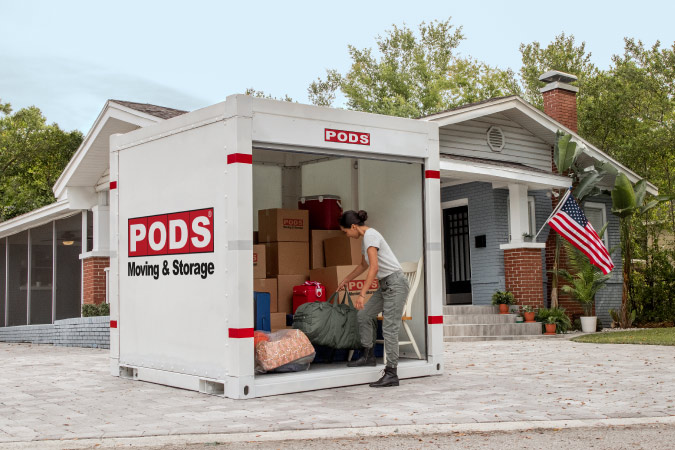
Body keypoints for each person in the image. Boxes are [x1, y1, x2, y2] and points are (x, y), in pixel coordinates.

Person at [336, 210, 409, 388]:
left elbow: (374, 268)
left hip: (395, 284)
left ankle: (392, 373)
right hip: (386, 285)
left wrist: (362, 294)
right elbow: (364, 265)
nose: (347, 236)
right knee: (364, 315)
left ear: (353, 227)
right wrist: (346, 279)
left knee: (390, 328)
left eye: (346, 232)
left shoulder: (371, 235)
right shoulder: (366, 239)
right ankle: (368, 356)